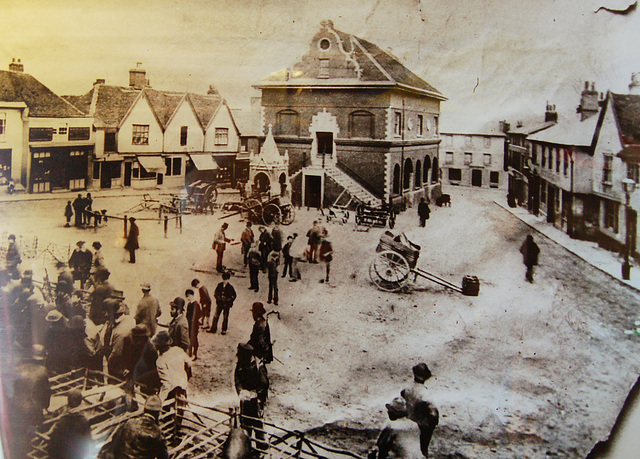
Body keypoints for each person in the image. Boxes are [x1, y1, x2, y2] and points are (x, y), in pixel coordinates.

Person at [105, 395, 168, 459]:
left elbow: (114, 445)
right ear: (158, 413)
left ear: (144, 410)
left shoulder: (129, 423)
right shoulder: (158, 434)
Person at [234, 343, 269, 451]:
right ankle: (246, 448)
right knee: (245, 424)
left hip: (255, 401)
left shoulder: (258, 367)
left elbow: (264, 384)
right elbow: (237, 379)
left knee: (258, 424)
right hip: (245, 399)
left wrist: (256, 395)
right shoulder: (241, 363)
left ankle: (261, 448)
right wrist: (241, 391)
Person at [401, 363, 439, 458]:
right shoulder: (425, 393)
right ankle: (424, 453)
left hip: (409, 419)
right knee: (424, 443)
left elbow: (402, 393)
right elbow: (432, 412)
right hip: (421, 423)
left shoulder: (408, 388)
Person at [47, 389, 92, 459]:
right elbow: (88, 443)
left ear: (68, 401)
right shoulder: (83, 422)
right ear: (80, 402)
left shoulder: (62, 421)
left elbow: (52, 445)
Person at [154, 330, 191, 403]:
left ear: (160, 346)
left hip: (171, 389)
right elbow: (189, 363)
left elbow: (166, 383)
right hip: (183, 384)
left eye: (156, 345)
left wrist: (160, 400)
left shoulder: (161, 360)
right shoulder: (178, 350)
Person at [185, 289, 201, 360]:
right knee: (190, 339)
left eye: (188, 296)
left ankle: (195, 354)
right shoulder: (189, 304)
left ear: (192, 295)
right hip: (189, 325)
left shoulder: (196, 304)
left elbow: (200, 314)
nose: (188, 298)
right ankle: (190, 353)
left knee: (194, 340)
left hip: (194, 325)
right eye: (187, 297)